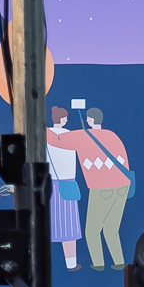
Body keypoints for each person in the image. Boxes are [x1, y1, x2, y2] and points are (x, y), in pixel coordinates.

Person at [55, 106, 134, 270]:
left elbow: (58, 140)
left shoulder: (85, 136)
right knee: (112, 229)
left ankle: (98, 264)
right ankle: (119, 262)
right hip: (123, 186)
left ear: (90, 120)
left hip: (102, 188)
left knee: (92, 231)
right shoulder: (112, 135)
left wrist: (41, 127)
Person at [48, 106, 85, 270]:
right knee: (69, 228)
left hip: (48, 182)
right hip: (66, 181)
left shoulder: (43, 134)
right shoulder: (70, 135)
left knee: (45, 225)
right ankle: (71, 263)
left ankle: (42, 266)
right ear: (62, 119)